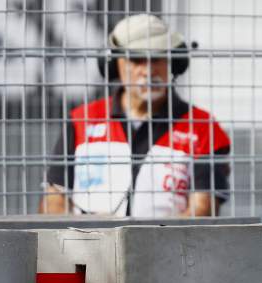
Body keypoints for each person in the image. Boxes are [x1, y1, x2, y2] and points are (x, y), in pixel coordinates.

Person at [41, 13, 230, 217]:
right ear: (114, 64)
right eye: (137, 59)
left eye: (157, 58)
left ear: (174, 63)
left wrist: (152, 241)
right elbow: (54, 199)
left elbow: (202, 209)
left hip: (170, 247)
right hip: (88, 247)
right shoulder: (81, 120)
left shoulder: (202, 126)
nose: (148, 71)